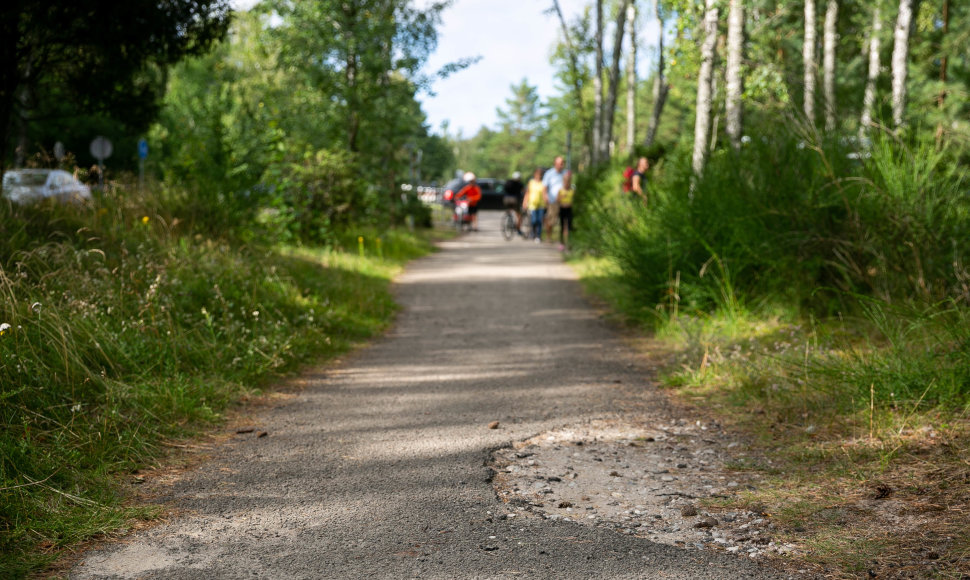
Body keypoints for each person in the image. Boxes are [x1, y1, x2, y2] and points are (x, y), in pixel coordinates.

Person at [542, 156, 566, 241]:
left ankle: (563, 239)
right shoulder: (549, 173)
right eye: (559, 163)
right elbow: (544, 187)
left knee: (564, 221)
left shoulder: (565, 173)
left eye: (562, 163)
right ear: (555, 164)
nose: (561, 165)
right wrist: (545, 197)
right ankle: (549, 236)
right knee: (551, 220)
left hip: (564, 202)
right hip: (552, 201)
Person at [522, 167, 548, 242]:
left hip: (541, 205)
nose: (539, 176)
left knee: (539, 221)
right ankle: (533, 233)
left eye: (540, 175)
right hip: (532, 205)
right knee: (533, 220)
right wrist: (525, 202)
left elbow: (544, 193)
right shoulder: (531, 182)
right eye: (537, 174)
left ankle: (538, 236)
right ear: (535, 174)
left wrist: (546, 201)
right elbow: (528, 193)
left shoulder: (543, 183)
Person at [503, 171, 525, 236]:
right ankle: (518, 229)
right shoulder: (519, 184)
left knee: (510, 209)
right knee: (519, 215)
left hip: (506, 199)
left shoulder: (508, 182)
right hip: (515, 200)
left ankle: (508, 217)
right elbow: (524, 191)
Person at [557, 171, 574, 251]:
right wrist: (562, 197)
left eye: (568, 182)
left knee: (570, 227)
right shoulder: (560, 190)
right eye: (565, 181)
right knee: (562, 226)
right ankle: (562, 243)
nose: (567, 183)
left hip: (569, 209)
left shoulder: (572, 190)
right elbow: (557, 200)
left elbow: (574, 200)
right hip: (562, 209)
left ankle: (570, 243)